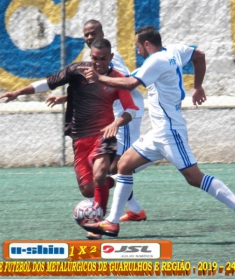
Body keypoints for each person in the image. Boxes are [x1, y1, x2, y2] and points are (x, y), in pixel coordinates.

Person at [80, 25, 235, 237]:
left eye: (137, 46)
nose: (137, 51)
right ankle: (112, 222)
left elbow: (130, 83)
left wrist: (99, 79)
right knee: (124, 165)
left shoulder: (155, 61)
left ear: (146, 44)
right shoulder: (173, 50)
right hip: (158, 132)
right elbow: (199, 55)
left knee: (195, 178)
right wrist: (198, 86)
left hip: (170, 131)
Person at [0, 38, 139, 239]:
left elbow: (131, 109)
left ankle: (98, 225)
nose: (98, 63)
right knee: (88, 190)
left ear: (111, 57)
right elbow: (48, 82)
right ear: (90, 56)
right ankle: (117, 181)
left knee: (98, 174)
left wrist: (115, 123)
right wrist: (19, 92)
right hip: (79, 138)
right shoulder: (76, 70)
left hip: (103, 134)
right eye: (95, 58)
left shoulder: (116, 79)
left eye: (103, 59)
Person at [46, 19, 149, 223]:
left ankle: (155, 156)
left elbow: (122, 83)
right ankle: (134, 209)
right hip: (110, 118)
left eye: (94, 33)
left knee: (117, 167)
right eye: (86, 34)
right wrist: (68, 97)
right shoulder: (93, 58)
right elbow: (96, 88)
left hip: (123, 115)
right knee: (111, 169)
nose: (90, 37)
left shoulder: (110, 57)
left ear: (102, 33)